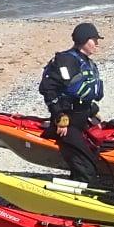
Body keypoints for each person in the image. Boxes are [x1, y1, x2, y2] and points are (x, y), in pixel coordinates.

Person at [39, 22, 108, 180]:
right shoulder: (65, 60)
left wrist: (93, 110)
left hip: (83, 118)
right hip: (67, 123)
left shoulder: (88, 63)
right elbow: (48, 89)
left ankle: (78, 179)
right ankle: (83, 189)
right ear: (84, 40)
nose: (97, 43)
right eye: (94, 39)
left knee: (96, 155)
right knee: (87, 167)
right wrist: (59, 116)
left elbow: (84, 94)